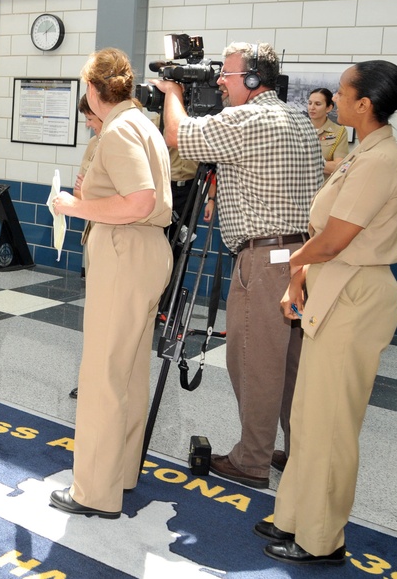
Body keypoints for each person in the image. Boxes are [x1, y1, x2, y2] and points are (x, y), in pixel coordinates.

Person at [257, 61, 397, 566]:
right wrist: (299, 279)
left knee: (332, 426)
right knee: (308, 416)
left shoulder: (379, 161)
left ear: (363, 104)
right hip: (332, 290)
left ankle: (323, 540)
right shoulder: (360, 153)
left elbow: (335, 240)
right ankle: (294, 517)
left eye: (343, 93)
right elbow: (323, 235)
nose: (334, 100)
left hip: (356, 295)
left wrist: (294, 264)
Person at [158, 42, 324, 488]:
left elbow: (178, 136)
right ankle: (296, 450)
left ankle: (252, 459)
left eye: (226, 75)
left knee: (252, 361)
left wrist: (173, 92)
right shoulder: (297, 118)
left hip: (264, 260)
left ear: (252, 80)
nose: (218, 82)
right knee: (290, 367)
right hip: (301, 257)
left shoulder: (248, 118)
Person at [49, 48, 173, 517]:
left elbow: (139, 202)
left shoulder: (119, 130)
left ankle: (94, 492)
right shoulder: (143, 124)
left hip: (124, 250)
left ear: (94, 90)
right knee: (129, 372)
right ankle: (119, 473)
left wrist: (75, 207)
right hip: (146, 253)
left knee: (102, 375)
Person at [68, 93, 100, 400]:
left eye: (91, 119)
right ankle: (90, 377)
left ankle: (100, 383)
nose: (89, 127)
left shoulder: (122, 140)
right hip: (95, 234)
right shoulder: (95, 144)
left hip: (116, 239)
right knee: (93, 314)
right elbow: (81, 188)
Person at [308, 87, 348, 179]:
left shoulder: (339, 131)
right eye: (310, 103)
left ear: (329, 108)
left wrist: (306, 163)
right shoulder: (298, 128)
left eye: (317, 104)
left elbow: (338, 166)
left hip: (323, 187)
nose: (312, 107)